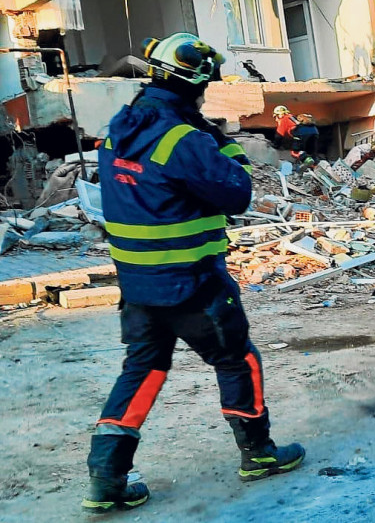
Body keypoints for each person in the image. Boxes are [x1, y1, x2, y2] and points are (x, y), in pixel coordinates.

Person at [83, 33, 305, 513]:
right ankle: (258, 454)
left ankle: (106, 478)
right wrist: (223, 145)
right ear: (196, 83)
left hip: (137, 287)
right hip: (193, 283)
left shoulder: (120, 127)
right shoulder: (185, 138)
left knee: (141, 370)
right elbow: (237, 193)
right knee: (236, 360)